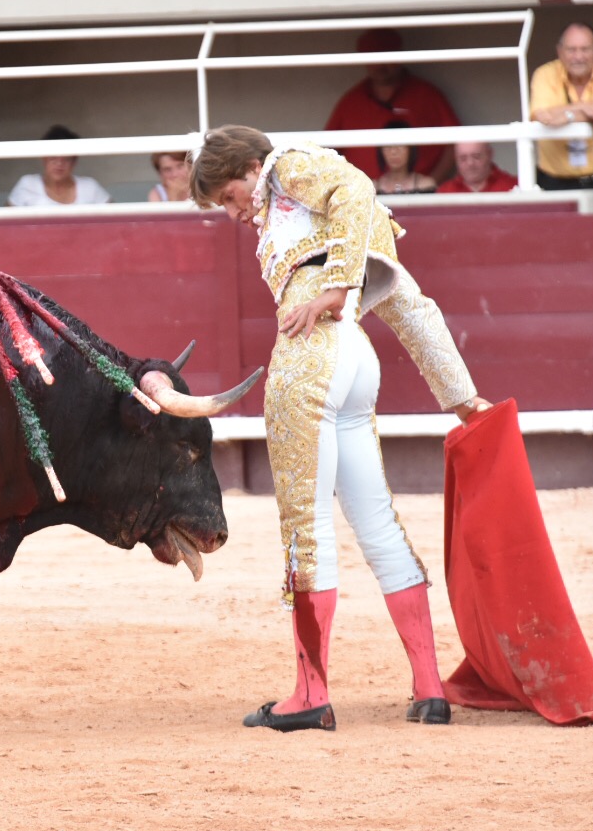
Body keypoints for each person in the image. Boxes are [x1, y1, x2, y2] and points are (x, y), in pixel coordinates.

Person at [191, 125, 490, 732]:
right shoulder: (310, 213)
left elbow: (354, 188)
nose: (233, 212)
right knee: (377, 522)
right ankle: (429, 690)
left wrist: (331, 291)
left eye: (228, 196)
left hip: (312, 357)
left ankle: (310, 694)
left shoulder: (285, 167)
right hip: (355, 357)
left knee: (305, 526)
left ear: (248, 167)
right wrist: (460, 395)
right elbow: (407, 299)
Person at [324, 28, 459, 182]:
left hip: (418, 194)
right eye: (372, 58)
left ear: (399, 56)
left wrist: (431, 183)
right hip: (364, 194)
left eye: (386, 56)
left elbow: (455, 142)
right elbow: (327, 152)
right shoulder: (351, 101)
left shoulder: (427, 94)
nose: (380, 65)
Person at [529, 22, 593, 208]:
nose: (578, 57)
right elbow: (542, 116)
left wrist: (566, 115)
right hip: (554, 183)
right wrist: (586, 109)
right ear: (560, 51)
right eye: (571, 50)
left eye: (585, 49)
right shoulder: (544, 74)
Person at [6, 125, 110, 207]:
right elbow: (4, 222)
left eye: (66, 159)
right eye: (53, 158)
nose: (59, 164)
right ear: (44, 158)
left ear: (74, 162)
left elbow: (115, 219)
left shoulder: (89, 187)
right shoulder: (28, 184)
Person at [373, 121, 437, 194]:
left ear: (410, 149)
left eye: (400, 144)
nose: (393, 151)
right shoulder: (372, 188)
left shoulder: (425, 185)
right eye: (388, 145)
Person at [438, 141, 519, 193]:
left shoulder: (513, 187)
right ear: (455, 159)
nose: (470, 163)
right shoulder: (445, 192)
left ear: (489, 154)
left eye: (476, 157)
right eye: (463, 158)